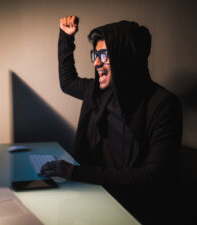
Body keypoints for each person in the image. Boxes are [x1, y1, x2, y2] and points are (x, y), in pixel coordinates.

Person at [41, 16, 183, 224]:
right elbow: (68, 82)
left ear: (125, 57)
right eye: (95, 54)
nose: (96, 62)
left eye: (104, 54)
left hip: (131, 211)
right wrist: (66, 37)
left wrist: (77, 173)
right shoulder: (97, 92)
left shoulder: (163, 105)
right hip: (91, 195)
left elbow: (153, 176)